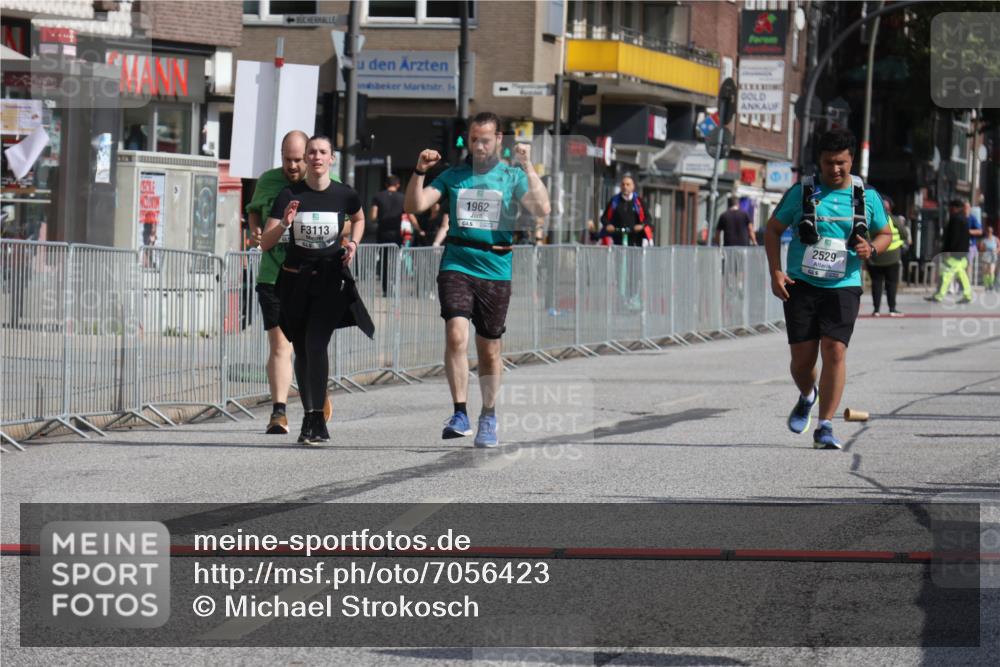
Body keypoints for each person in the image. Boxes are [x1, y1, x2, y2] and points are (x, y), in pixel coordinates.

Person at [404, 111, 550, 447]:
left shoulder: (511, 176)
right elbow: (417, 203)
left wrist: (528, 166)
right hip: (457, 261)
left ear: (499, 139)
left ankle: (488, 414)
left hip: (496, 266)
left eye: (485, 139)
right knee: (456, 335)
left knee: (489, 350)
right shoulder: (455, 175)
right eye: (473, 139)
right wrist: (419, 173)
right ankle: (459, 412)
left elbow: (542, 208)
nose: (479, 146)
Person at [764, 127, 891, 450]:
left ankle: (825, 426)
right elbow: (773, 230)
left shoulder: (867, 196)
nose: (835, 169)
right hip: (801, 283)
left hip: (843, 284)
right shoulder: (802, 192)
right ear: (818, 163)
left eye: (841, 163)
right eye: (828, 163)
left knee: (834, 350)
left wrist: (872, 249)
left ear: (851, 161)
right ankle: (808, 394)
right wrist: (776, 272)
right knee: (802, 363)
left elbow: (885, 234)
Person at [259, 135, 370, 445]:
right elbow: (265, 242)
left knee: (315, 342)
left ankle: (315, 418)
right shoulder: (289, 194)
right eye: (312, 152)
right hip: (295, 281)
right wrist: (284, 224)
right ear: (305, 158)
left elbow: (360, 217)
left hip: (329, 280)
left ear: (331, 159)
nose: (316, 157)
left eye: (322, 152)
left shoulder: (343, 194)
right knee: (304, 349)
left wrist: (354, 243)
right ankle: (311, 412)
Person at [246, 130, 333, 435]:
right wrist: (256, 231)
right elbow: (254, 212)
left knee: (308, 345)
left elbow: (346, 219)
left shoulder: (319, 184)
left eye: (299, 159)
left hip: (310, 277)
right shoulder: (270, 181)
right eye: (288, 159)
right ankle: (279, 412)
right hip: (273, 275)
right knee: (280, 344)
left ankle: (315, 393)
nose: (293, 166)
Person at [371, 175, 421, 296]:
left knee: (383, 260)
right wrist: (419, 229)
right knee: (395, 260)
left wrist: (379, 219)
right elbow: (411, 216)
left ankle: (385, 289)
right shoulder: (403, 198)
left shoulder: (377, 197)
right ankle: (393, 285)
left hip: (382, 233)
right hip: (396, 234)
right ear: (398, 185)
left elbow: (372, 217)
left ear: (385, 184)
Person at [867, 194, 909, 317]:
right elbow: (904, 233)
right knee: (891, 283)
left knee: (876, 283)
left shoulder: (871, 219)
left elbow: (866, 236)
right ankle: (892, 308)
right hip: (893, 257)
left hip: (876, 256)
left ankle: (876, 310)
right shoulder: (894, 219)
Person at [927, 199, 973, 304]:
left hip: (954, 253)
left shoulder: (955, 219)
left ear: (955, 208)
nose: (949, 210)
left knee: (946, 273)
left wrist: (948, 251)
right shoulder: (964, 219)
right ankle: (967, 295)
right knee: (961, 274)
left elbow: (953, 237)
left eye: (950, 207)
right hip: (962, 252)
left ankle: (939, 296)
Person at [599, 175, 647, 246]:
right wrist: (608, 225)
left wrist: (641, 226)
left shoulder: (639, 201)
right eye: (623, 184)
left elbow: (648, 219)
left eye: (628, 184)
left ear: (633, 186)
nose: (625, 187)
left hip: (635, 241)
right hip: (617, 240)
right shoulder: (614, 201)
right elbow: (604, 218)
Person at [980, 225, 997, 291]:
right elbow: (981, 249)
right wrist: (984, 248)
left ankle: (991, 284)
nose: (989, 232)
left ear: (992, 232)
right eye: (988, 231)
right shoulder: (984, 240)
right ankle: (986, 285)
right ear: (986, 232)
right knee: (985, 272)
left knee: (991, 271)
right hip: (986, 256)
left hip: (993, 256)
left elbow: (999, 247)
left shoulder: (995, 239)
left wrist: (996, 250)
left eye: (990, 231)